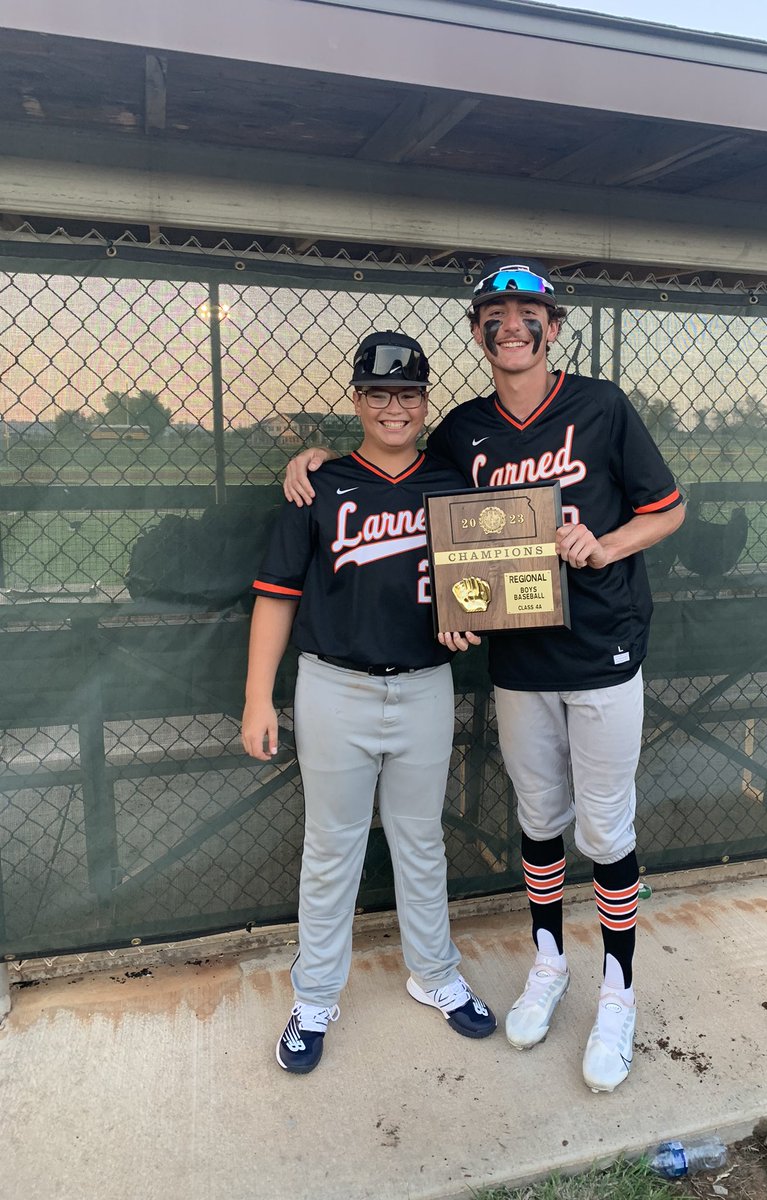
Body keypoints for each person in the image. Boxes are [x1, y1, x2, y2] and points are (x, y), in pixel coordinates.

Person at [283, 261, 684, 1092]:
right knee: (538, 817)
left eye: (526, 313)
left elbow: (669, 509)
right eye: (495, 315)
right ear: (477, 332)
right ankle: (548, 963)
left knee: (605, 831)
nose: (511, 326)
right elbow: (404, 476)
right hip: (519, 658)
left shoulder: (601, 406)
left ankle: (618, 989)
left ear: (552, 326)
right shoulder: (462, 429)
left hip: (604, 646)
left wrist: (606, 546)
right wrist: (315, 458)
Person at [243, 330, 496, 1076]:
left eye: (409, 393)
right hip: (333, 687)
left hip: (423, 686)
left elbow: (488, 583)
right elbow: (275, 596)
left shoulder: (451, 484)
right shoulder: (315, 486)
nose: (395, 407)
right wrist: (260, 697)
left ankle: (435, 973)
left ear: (425, 401)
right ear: (357, 400)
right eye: (379, 393)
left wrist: (472, 611)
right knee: (332, 848)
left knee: (421, 841)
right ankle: (315, 995)